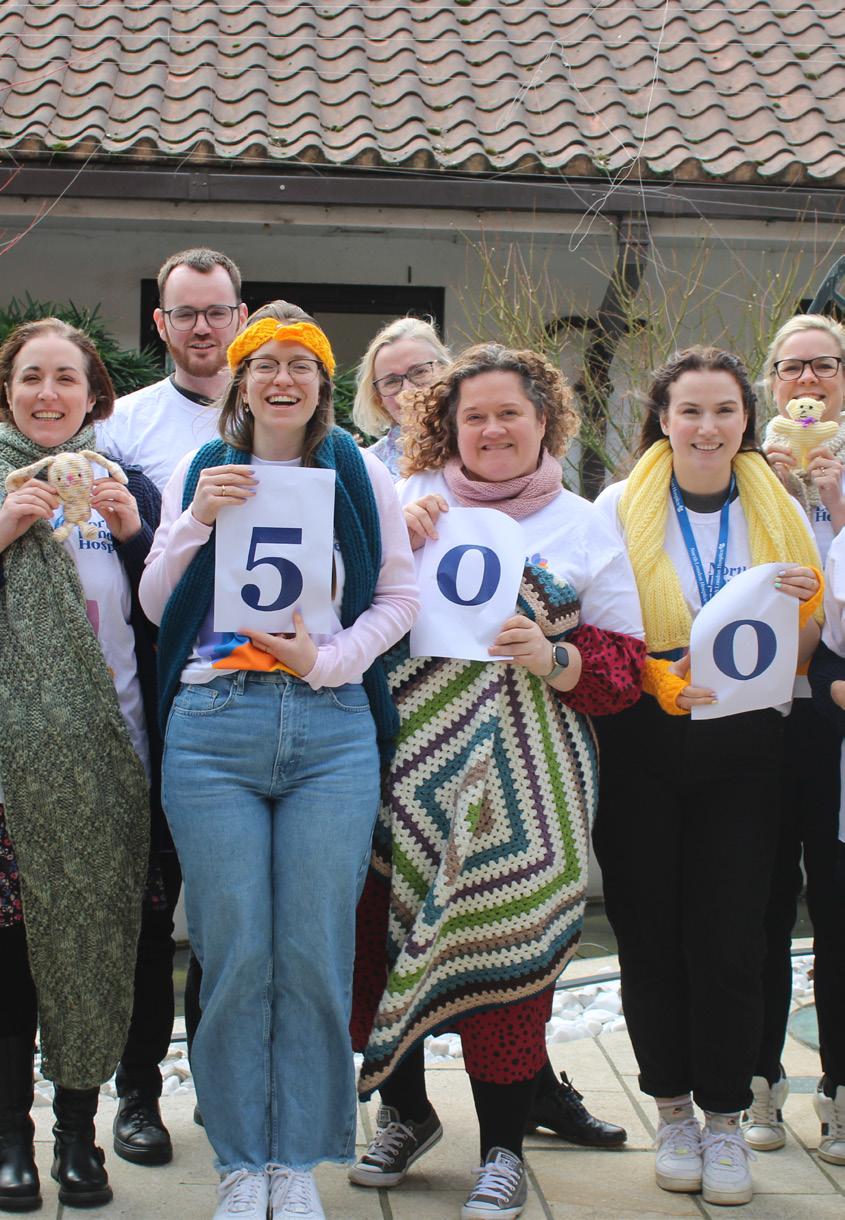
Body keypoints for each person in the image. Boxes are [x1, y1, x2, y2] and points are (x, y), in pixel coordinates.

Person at [349, 344, 645, 1219]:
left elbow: (623, 671)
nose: (491, 429)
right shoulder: (399, 498)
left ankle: (504, 1151)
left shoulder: (584, 524)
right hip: (398, 776)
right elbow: (333, 620)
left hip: (530, 789)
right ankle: (405, 1115)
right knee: (381, 943)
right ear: (446, 424)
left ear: (544, 419)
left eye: (509, 412)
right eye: (472, 415)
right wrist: (389, 549)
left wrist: (553, 657)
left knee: (512, 955)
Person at [139, 301, 419, 1220]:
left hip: (330, 730)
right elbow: (156, 604)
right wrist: (194, 521)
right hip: (213, 726)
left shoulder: (355, 472)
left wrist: (328, 660)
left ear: (323, 384)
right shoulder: (203, 468)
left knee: (311, 949)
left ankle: (295, 1159)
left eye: (302, 364)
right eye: (265, 364)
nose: (283, 379)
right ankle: (240, 1160)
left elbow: (399, 597)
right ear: (243, 381)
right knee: (232, 949)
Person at [592, 346, 824, 1206]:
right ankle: (671, 1111)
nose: (706, 427)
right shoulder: (618, 506)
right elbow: (595, 626)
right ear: (661, 419)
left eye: (723, 410)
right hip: (644, 739)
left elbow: (804, 644)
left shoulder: (778, 509)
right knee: (648, 936)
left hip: (746, 748)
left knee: (731, 940)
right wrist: (655, 674)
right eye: (688, 410)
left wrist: (801, 605)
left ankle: (724, 1118)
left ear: (745, 420)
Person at [0, 318, 160, 1210]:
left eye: (66, 377)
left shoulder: (124, 487)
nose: (48, 393)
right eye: (31, 376)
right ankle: (10, 1140)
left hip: (114, 759)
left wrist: (138, 536)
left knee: (97, 948)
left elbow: (178, 613)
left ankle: (77, 1134)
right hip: (10, 775)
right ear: (7, 391)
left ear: (95, 395)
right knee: (11, 961)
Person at [97, 247, 247, 1164]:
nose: (201, 327)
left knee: (229, 916)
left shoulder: (281, 415)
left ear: (240, 316)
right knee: (151, 915)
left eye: (216, 310)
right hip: (156, 697)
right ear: (159, 323)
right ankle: (138, 1092)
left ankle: (222, 1090)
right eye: (184, 312)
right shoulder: (122, 427)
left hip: (255, 698)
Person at [742, 315, 845, 1164]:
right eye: (790, 367)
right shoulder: (746, 470)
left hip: (835, 716)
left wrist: (836, 511)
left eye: (823, 365)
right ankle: (757, 1081)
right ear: (770, 382)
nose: (806, 381)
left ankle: (838, 1088)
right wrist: (770, 496)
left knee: (838, 906)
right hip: (761, 712)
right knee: (759, 902)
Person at [352, 316, 450, 478]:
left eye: (420, 372)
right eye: (391, 381)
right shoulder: (366, 469)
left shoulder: (479, 448)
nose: (407, 390)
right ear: (378, 398)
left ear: (446, 371)